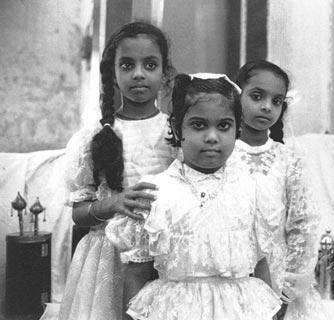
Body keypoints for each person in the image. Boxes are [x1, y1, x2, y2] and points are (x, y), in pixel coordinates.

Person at [106, 73, 281, 320]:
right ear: (178, 129)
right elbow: (137, 272)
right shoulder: (156, 193)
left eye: (223, 126)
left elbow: (260, 263)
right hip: (175, 311)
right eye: (199, 125)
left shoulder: (251, 189)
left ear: (237, 129)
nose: (212, 137)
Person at [57, 21, 176, 320]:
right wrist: (113, 203)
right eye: (127, 65)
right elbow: (78, 212)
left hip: (166, 255)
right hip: (109, 257)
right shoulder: (95, 137)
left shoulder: (176, 133)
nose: (138, 73)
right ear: (114, 72)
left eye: (150, 64)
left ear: (164, 73)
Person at [234, 60, 322, 320]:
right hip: (233, 273)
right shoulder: (221, 155)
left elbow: (303, 224)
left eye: (276, 101)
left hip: (278, 273)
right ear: (238, 96)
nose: (266, 107)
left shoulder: (288, 158)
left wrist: (288, 288)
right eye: (257, 96)